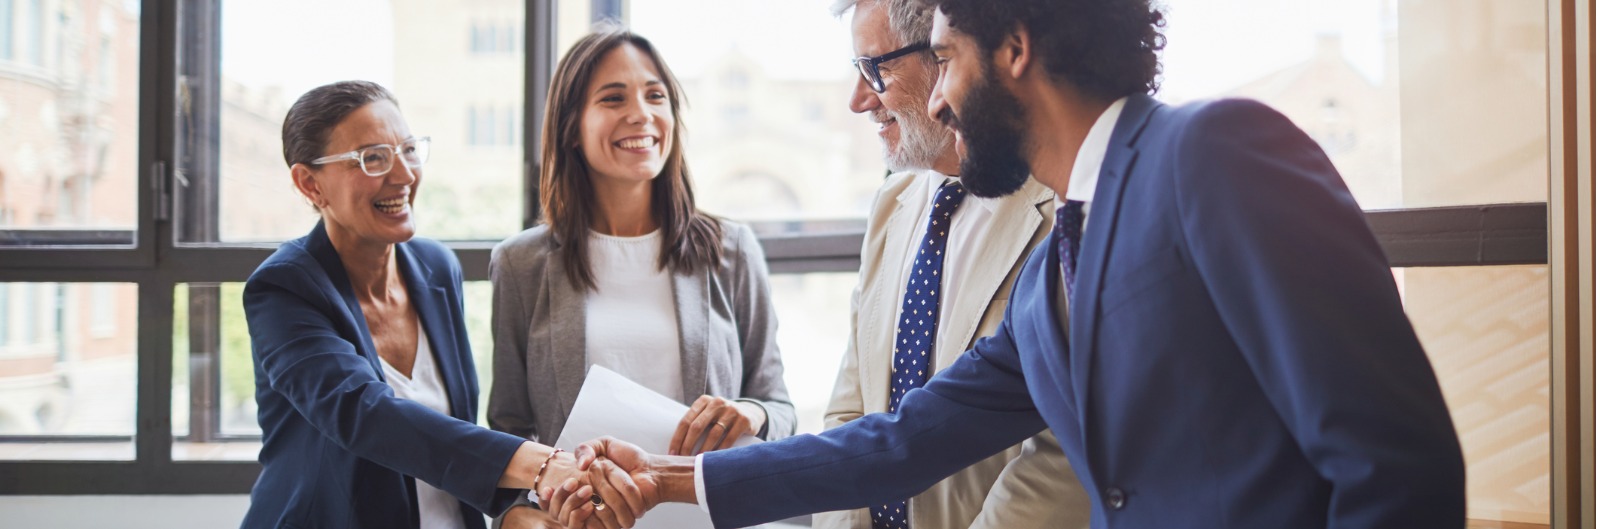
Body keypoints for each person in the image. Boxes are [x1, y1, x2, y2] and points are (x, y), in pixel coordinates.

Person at [561, 1, 1469, 528]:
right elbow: (902, 441)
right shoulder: (1051, 279)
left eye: (946, 59)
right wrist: (670, 480)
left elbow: (1396, 460)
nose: (942, 98)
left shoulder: (1216, 151)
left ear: (1015, 49)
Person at [241, 81, 643, 529]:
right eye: (373, 157)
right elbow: (365, 414)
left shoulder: (435, 267)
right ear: (309, 183)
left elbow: (452, 430)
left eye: (409, 150)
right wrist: (544, 464)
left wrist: (522, 505)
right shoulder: (284, 288)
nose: (404, 175)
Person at [487, 27, 795, 528]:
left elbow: (780, 408)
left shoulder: (731, 250)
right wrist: (521, 518)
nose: (641, 113)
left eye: (656, 96)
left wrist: (751, 414)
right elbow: (510, 433)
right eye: (613, 98)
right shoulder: (522, 265)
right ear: (571, 127)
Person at [816, 1, 1088, 528]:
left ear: (947, 56)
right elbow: (850, 408)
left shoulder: (1064, 209)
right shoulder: (890, 207)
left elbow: (1064, 449)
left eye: (876, 68)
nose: (857, 100)